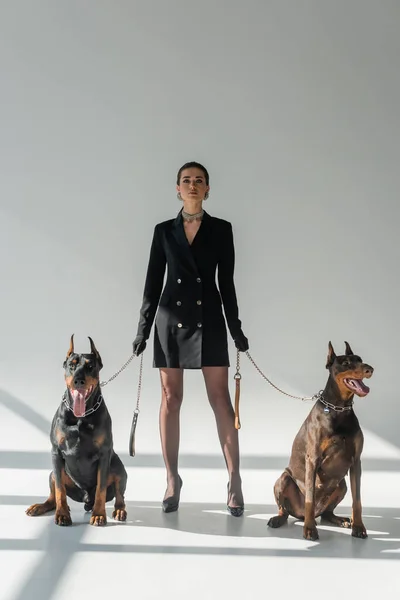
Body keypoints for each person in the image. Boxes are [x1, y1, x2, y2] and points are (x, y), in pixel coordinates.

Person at [132, 161, 249, 516]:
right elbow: (153, 283)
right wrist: (142, 328)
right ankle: (171, 479)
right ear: (178, 189)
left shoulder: (222, 229)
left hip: (210, 319)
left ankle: (235, 479)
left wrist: (236, 328)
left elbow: (225, 283)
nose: (193, 185)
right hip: (170, 321)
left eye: (199, 181)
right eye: (186, 181)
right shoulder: (163, 232)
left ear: (208, 189)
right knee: (171, 398)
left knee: (220, 399)